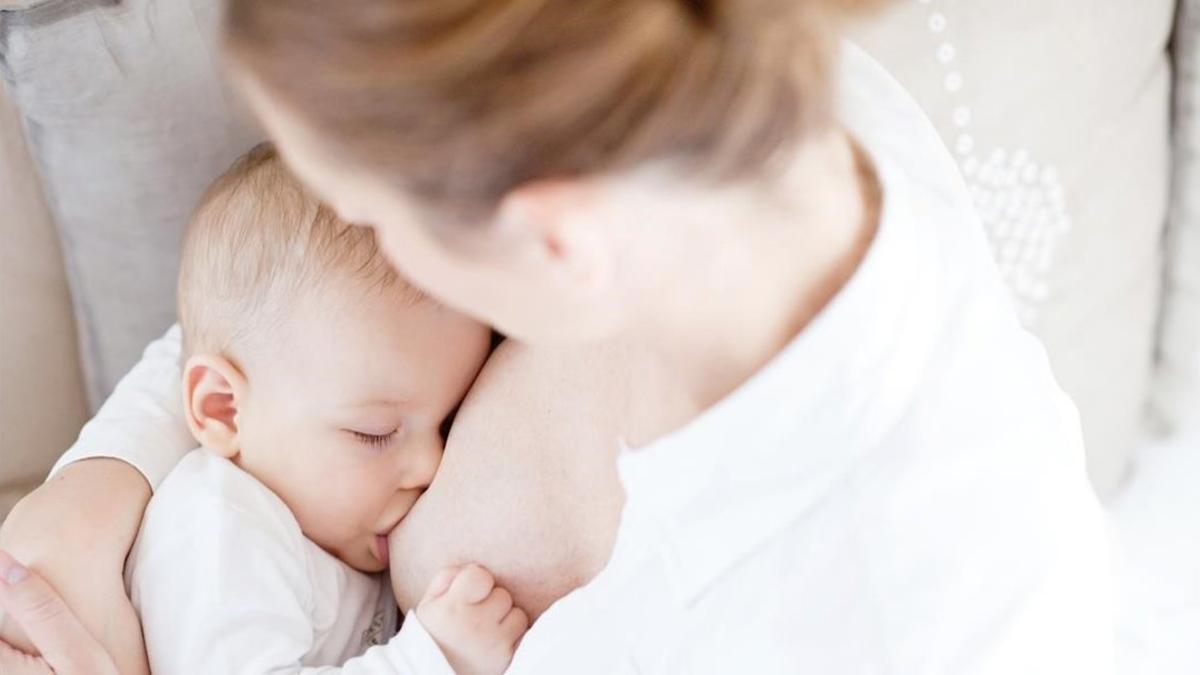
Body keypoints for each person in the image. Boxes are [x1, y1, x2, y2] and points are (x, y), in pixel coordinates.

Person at [0, 1, 1115, 673]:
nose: (421, 461)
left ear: (549, 239)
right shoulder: (717, 97)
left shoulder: (814, 610)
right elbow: (291, 307)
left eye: (379, 215)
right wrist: (101, 485)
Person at [127, 143, 524, 675]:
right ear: (222, 408)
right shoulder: (221, 529)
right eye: (375, 432)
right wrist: (431, 660)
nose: (431, 467)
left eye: (449, 424)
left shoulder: (331, 527)